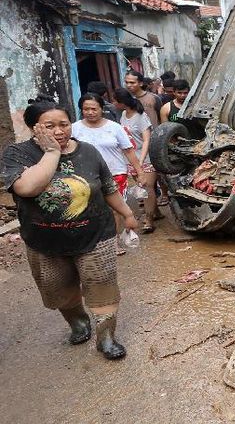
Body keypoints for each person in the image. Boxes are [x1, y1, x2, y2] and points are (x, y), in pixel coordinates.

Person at [2, 98, 138, 359]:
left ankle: (106, 337)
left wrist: (128, 214)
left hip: (95, 235)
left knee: (102, 284)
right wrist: (52, 152)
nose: (59, 131)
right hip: (45, 242)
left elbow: (108, 187)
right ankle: (78, 322)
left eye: (64, 124)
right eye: (49, 126)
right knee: (59, 290)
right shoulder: (17, 154)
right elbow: (27, 188)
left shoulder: (88, 151)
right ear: (33, 128)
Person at [71, 94, 144, 234]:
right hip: (85, 175)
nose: (90, 112)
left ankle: (114, 241)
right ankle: (96, 239)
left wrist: (139, 172)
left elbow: (128, 151)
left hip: (115, 173)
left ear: (101, 109)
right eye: (86, 109)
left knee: (114, 209)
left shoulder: (115, 128)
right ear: (81, 110)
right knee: (89, 208)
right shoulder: (74, 129)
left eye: (94, 109)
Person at [113, 88, 157, 233]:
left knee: (147, 188)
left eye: (115, 101)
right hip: (130, 159)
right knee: (142, 189)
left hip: (145, 158)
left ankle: (149, 219)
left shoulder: (141, 116)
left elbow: (146, 140)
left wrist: (142, 160)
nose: (113, 103)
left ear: (121, 103)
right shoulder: (124, 115)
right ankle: (155, 211)